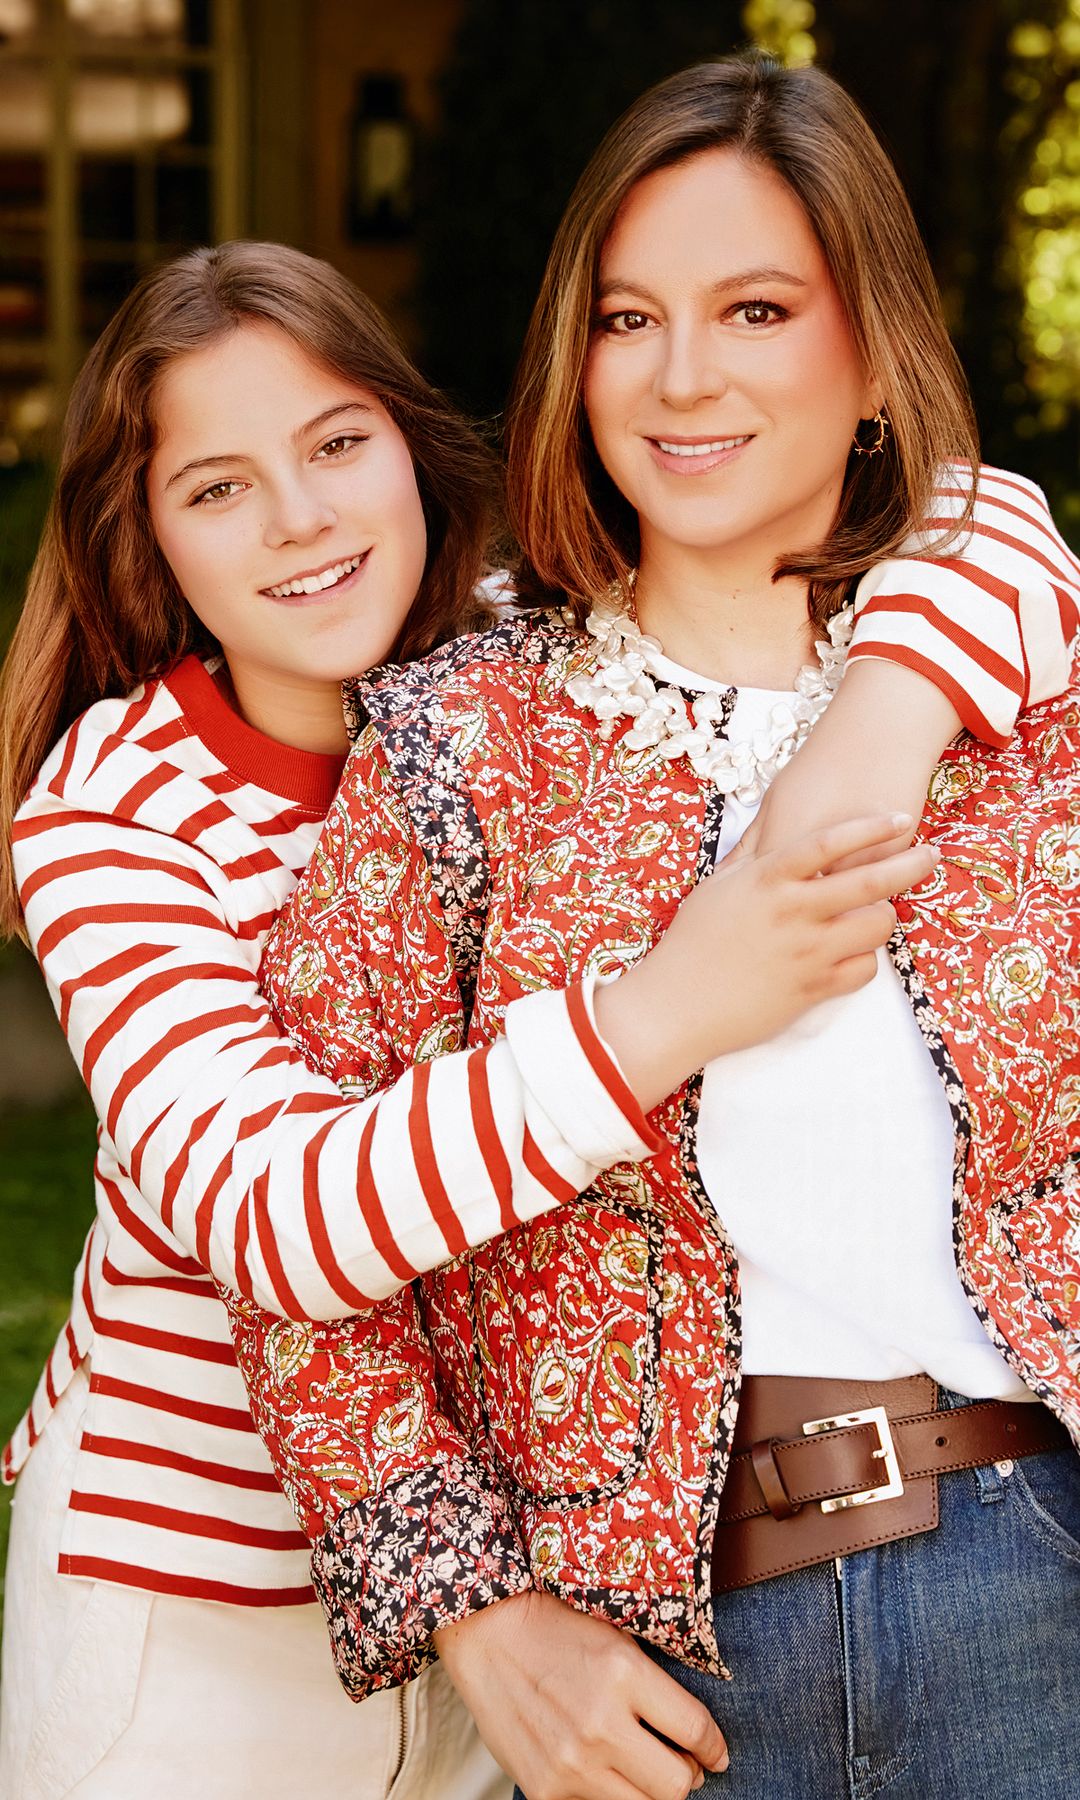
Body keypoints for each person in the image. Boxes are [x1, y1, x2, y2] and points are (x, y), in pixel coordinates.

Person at [0, 238, 1014, 1799]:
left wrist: (883, 724)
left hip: (550, 1603)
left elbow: (985, 526)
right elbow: (275, 1215)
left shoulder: (530, 671)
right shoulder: (114, 808)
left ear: (412, 444)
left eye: (337, 443)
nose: (300, 519)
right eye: (217, 488)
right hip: (200, 1620)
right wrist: (670, 1008)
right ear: (149, 542)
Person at [224, 57, 1080, 1800]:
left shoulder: (1031, 724)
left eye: (756, 309)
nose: (683, 376)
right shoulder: (463, 739)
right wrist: (473, 1610)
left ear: (873, 356)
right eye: (630, 318)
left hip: (1034, 1588)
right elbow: (299, 1236)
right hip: (651, 1658)